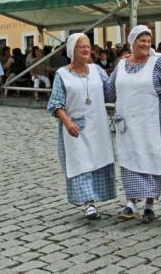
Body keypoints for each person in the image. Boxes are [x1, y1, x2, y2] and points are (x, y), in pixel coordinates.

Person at [104, 26, 161, 223]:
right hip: (127, 122)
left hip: (151, 121)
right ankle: (131, 204)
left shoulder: (157, 62)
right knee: (129, 158)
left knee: (151, 157)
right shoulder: (121, 64)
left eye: (148, 40)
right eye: (141, 40)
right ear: (132, 42)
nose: (145, 44)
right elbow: (109, 92)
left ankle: (150, 204)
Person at [47, 33, 116, 220]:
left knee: (97, 159)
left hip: (98, 126)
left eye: (88, 46)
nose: (86, 49)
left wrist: (121, 70)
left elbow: (110, 92)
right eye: (81, 46)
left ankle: (94, 198)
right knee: (81, 163)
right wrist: (67, 122)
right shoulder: (62, 75)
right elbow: (56, 105)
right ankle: (89, 204)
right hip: (75, 128)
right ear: (72, 51)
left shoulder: (97, 70)